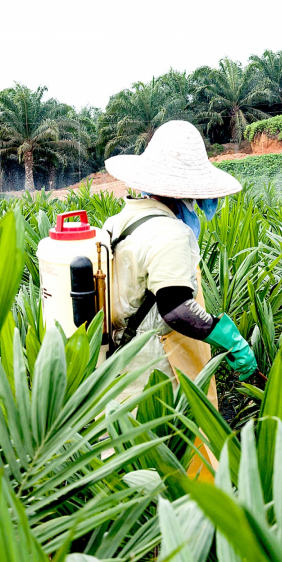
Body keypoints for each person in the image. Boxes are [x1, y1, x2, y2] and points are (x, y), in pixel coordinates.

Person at [103, 121, 257, 471]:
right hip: (157, 365)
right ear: (187, 192)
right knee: (176, 458)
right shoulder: (169, 231)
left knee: (130, 460)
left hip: (122, 358)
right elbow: (175, 308)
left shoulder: (121, 220)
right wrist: (228, 337)